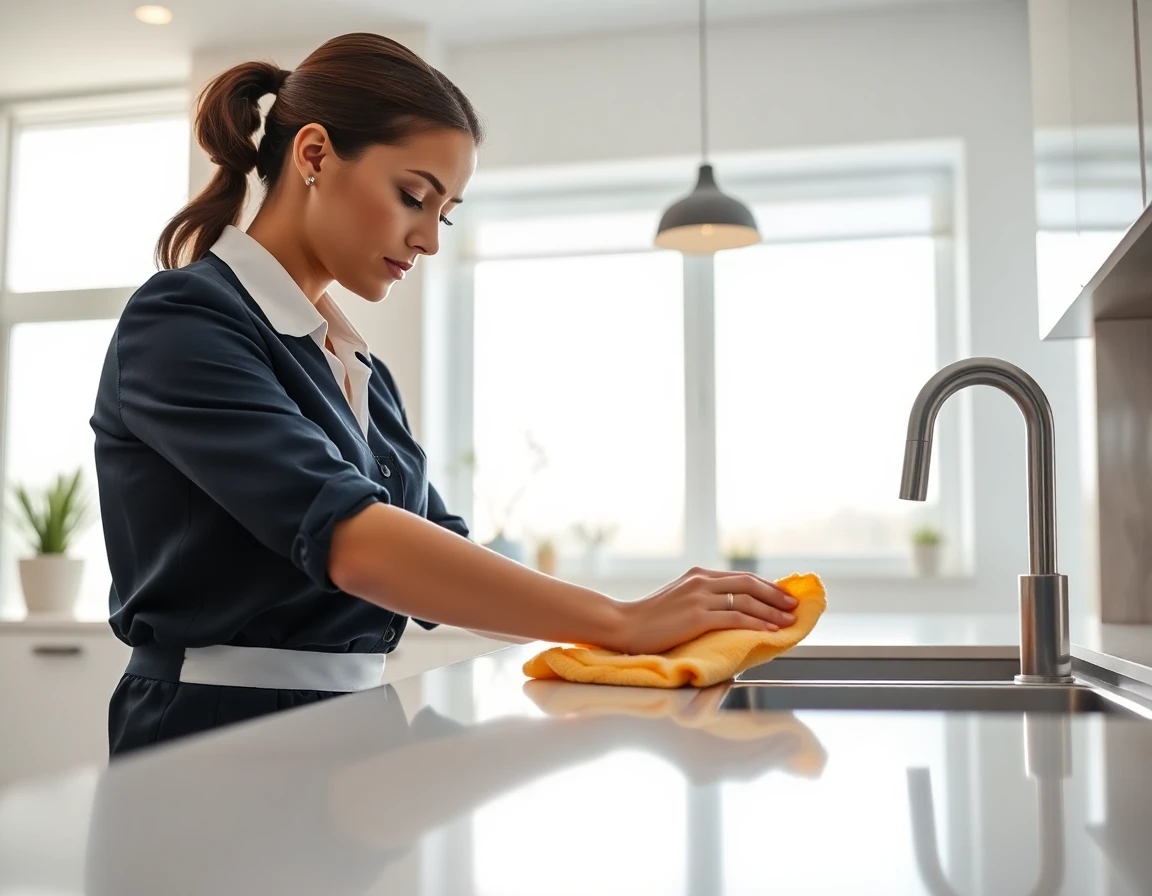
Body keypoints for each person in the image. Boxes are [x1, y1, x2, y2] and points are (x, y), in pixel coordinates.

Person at [90, 32, 798, 757]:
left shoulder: (355, 364)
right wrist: (619, 619)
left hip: (355, 728)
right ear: (313, 155)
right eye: (413, 197)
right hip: (209, 737)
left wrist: (642, 627)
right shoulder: (182, 319)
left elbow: (440, 555)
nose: (428, 239)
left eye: (445, 213)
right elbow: (354, 541)